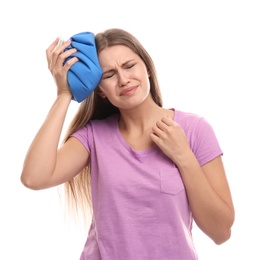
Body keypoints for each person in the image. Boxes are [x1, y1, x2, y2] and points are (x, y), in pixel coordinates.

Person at [21, 28, 235, 260]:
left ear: (148, 69)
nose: (123, 80)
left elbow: (220, 232)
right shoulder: (94, 137)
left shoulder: (194, 130)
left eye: (129, 66)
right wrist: (64, 94)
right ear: (100, 91)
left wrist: (184, 156)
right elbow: (34, 177)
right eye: (109, 75)